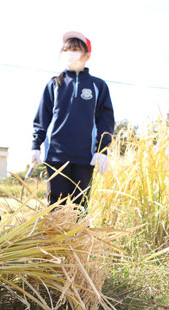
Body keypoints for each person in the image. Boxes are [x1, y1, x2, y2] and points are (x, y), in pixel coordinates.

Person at [31, 31, 114, 207]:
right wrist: (35, 146)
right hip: (56, 156)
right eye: (67, 49)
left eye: (75, 49)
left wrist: (102, 150)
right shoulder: (54, 84)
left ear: (87, 55)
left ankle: (79, 235)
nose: (71, 53)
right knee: (55, 207)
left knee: (80, 207)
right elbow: (42, 118)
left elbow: (105, 121)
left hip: (85, 157)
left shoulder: (98, 86)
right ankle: (53, 236)